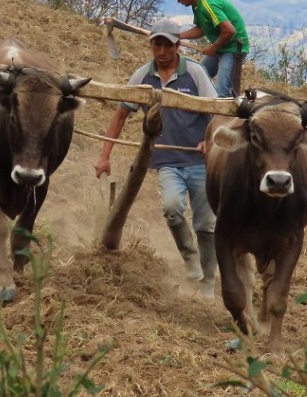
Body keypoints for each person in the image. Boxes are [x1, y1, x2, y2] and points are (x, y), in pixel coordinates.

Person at [93, 18, 218, 297]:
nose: (161, 51)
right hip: (167, 161)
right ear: (151, 45)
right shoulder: (142, 76)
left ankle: (209, 282)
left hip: (199, 161)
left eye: (167, 45)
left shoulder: (195, 73)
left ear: (177, 46)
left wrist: (208, 140)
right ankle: (190, 259)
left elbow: (217, 111)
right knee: (172, 209)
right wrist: (105, 156)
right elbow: (121, 114)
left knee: (206, 225)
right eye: (156, 44)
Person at [166, 0, 250, 98]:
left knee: (222, 93)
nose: (178, 1)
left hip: (233, 48)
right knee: (197, 78)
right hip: (222, 45)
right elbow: (201, 29)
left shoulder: (207, 5)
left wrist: (214, 48)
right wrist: (179, 36)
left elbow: (229, 31)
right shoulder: (197, 4)